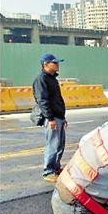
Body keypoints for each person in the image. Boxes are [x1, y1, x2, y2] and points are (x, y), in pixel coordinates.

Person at [33, 53, 67, 182]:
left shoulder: (53, 79)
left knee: (59, 145)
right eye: (55, 62)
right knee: (52, 144)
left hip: (58, 117)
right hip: (51, 118)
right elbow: (42, 100)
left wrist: (63, 117)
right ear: (46, 64)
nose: (58, 65)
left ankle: (56, 168)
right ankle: (48, 171)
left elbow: (57, 99)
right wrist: (51, 118)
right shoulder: (41, 79)